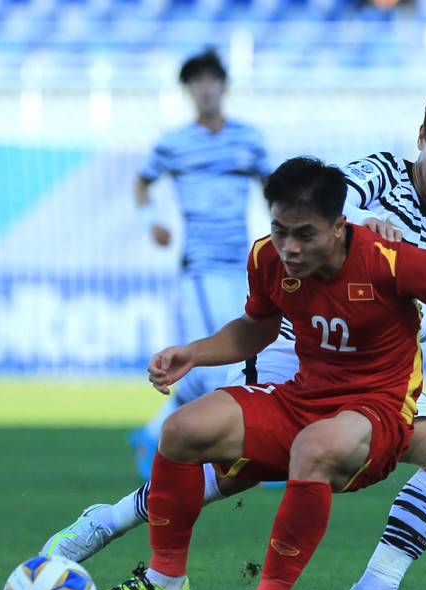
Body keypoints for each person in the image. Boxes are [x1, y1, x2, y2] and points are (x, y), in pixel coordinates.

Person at [41, 72, 426, 590]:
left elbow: (423, 322)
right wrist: (359, 232)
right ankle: (111, 522)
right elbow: (327, 203)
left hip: (369, 372)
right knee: (235, 470)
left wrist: (389, 277)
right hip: (292, 351)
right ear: (422, 137)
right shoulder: (380, 172)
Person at [130, 47, 270, 480]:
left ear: (222, 86)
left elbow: (273, 190)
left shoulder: (249, 138)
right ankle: (237, 457)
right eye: (197, 82)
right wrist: (152, 222)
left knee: (228, 357)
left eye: (212, 80)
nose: (205, 88)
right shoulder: (175, 143)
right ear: (189, 90)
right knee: (224, 359)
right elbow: (142, 183)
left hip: (240, 262)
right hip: (201, 265)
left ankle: (151, 433)